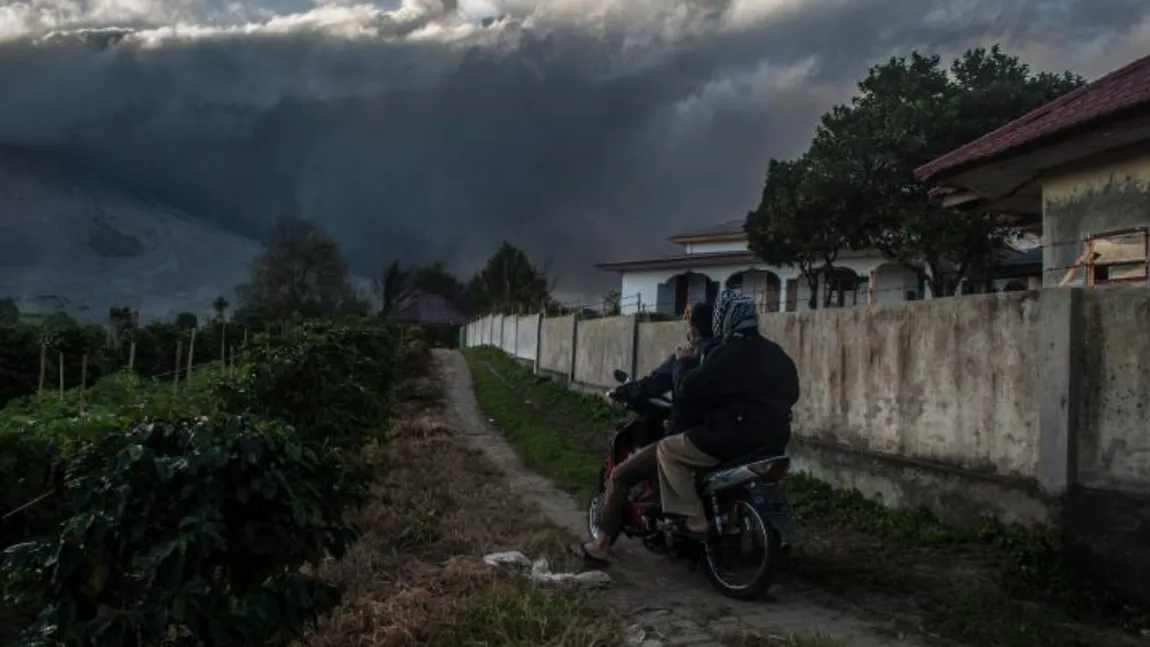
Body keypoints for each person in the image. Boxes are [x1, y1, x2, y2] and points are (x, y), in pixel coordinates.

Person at [578, 301, 715, 568]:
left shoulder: (687, 356)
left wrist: (627, 391)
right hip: (723, 436)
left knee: (621, 475)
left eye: (689, 324)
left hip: (688, 439)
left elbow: (654, 383)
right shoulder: (724, 354)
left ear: (693, 328)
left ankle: (601, 546)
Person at [655, 290, 800, 535]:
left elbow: (688, 390)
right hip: (774, 439)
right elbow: (793, 393)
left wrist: (683, 362)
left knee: (667, 450)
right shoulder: (777, 353)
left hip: (730, 439)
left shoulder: (725, 354)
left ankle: (694, 518)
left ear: (724, 318)